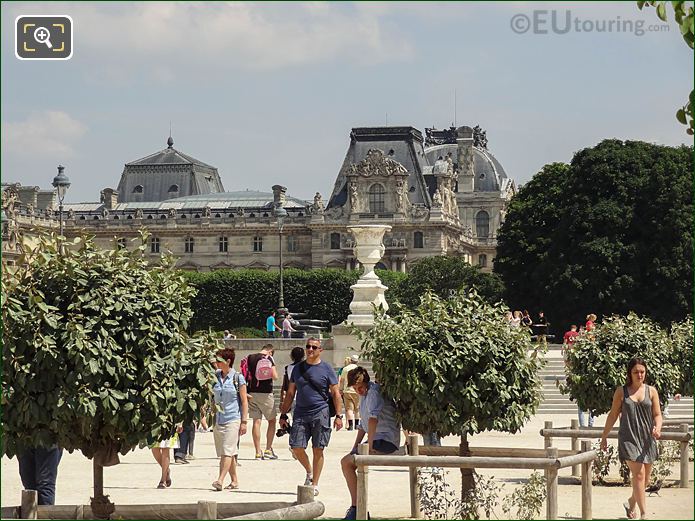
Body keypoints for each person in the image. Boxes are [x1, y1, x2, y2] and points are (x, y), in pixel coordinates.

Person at [279, 337, 343, 496]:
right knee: (296, 447)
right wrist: (283, 414)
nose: (310, 349)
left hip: (321, 411)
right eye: (308, 346)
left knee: (318, 448)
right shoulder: (297, 369)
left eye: (314, 347)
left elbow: (336, 393)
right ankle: (309, 471)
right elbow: (291, 392)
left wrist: (339, 415)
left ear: (320, 350)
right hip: (300, 411)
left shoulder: (327, 368)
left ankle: (315, 484)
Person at [600, 358, 662, 520]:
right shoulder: (622, 391)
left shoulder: (652, 391)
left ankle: (630, 502)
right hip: (628, 438)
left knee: (646, 479)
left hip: (647, 440)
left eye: (642, 371)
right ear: (630, 373)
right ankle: (644, 514)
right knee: (639, 475)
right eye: (636, 372)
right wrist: (604, 437)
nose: (639, 375)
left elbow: (657, 415)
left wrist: (658, 427)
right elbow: (613, 415)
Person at [340, 366, 401, 520]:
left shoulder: (374, 392)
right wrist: (355, 446)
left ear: (365, 382)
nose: (358, 390)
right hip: (376, 438)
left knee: (347, 463)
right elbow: (363, 425)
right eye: (355, 388)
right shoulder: (364, 394)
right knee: (347, 462)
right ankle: (358, 507)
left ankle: (357, 508)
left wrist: (371, 445)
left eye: (359, 387)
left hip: (385, 440)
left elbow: (373, 420)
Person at [211, 347, 249, 491]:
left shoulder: (237, 378)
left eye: (219, 360)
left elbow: (244, 401)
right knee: (228, 451)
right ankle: (234, 481)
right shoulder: (214, 376)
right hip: (218, 419)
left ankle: (219, 480)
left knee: (226, 451)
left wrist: (244, 422)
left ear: (228, 361)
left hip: (233, 418)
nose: (216, 362)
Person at [247, 344, 279, 460]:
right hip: (265, 393)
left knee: (256, 421)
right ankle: (268, 449)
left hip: (252, 392)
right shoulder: (269, 358)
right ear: (270, 351)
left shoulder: (250, 357)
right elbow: (275, 376)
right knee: (271, 420)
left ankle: (257, 452)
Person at [339, 355, 361, 431]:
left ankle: (350, 425)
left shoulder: (345, 369)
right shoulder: (359, 370)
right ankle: (357, 425)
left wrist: (341, 389)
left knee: (349, 409)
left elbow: (341, 380)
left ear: (351, 360)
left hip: (347, 390)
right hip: (357, 390)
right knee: (357, 408)